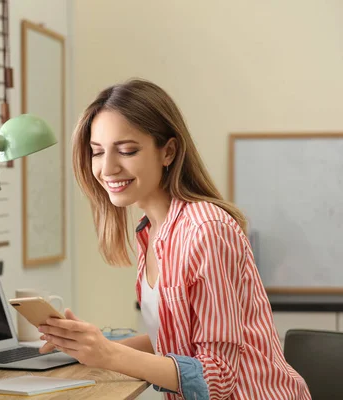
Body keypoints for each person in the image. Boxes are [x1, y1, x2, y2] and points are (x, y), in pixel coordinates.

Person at [37, 79, 311, 399]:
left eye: (127, 150)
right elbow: (173, 339)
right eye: (97, 152)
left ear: (168, 151)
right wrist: (89, 347)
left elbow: (216, 379)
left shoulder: (206, 231)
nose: (107, 167)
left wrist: (108, 355)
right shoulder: (150, 232)